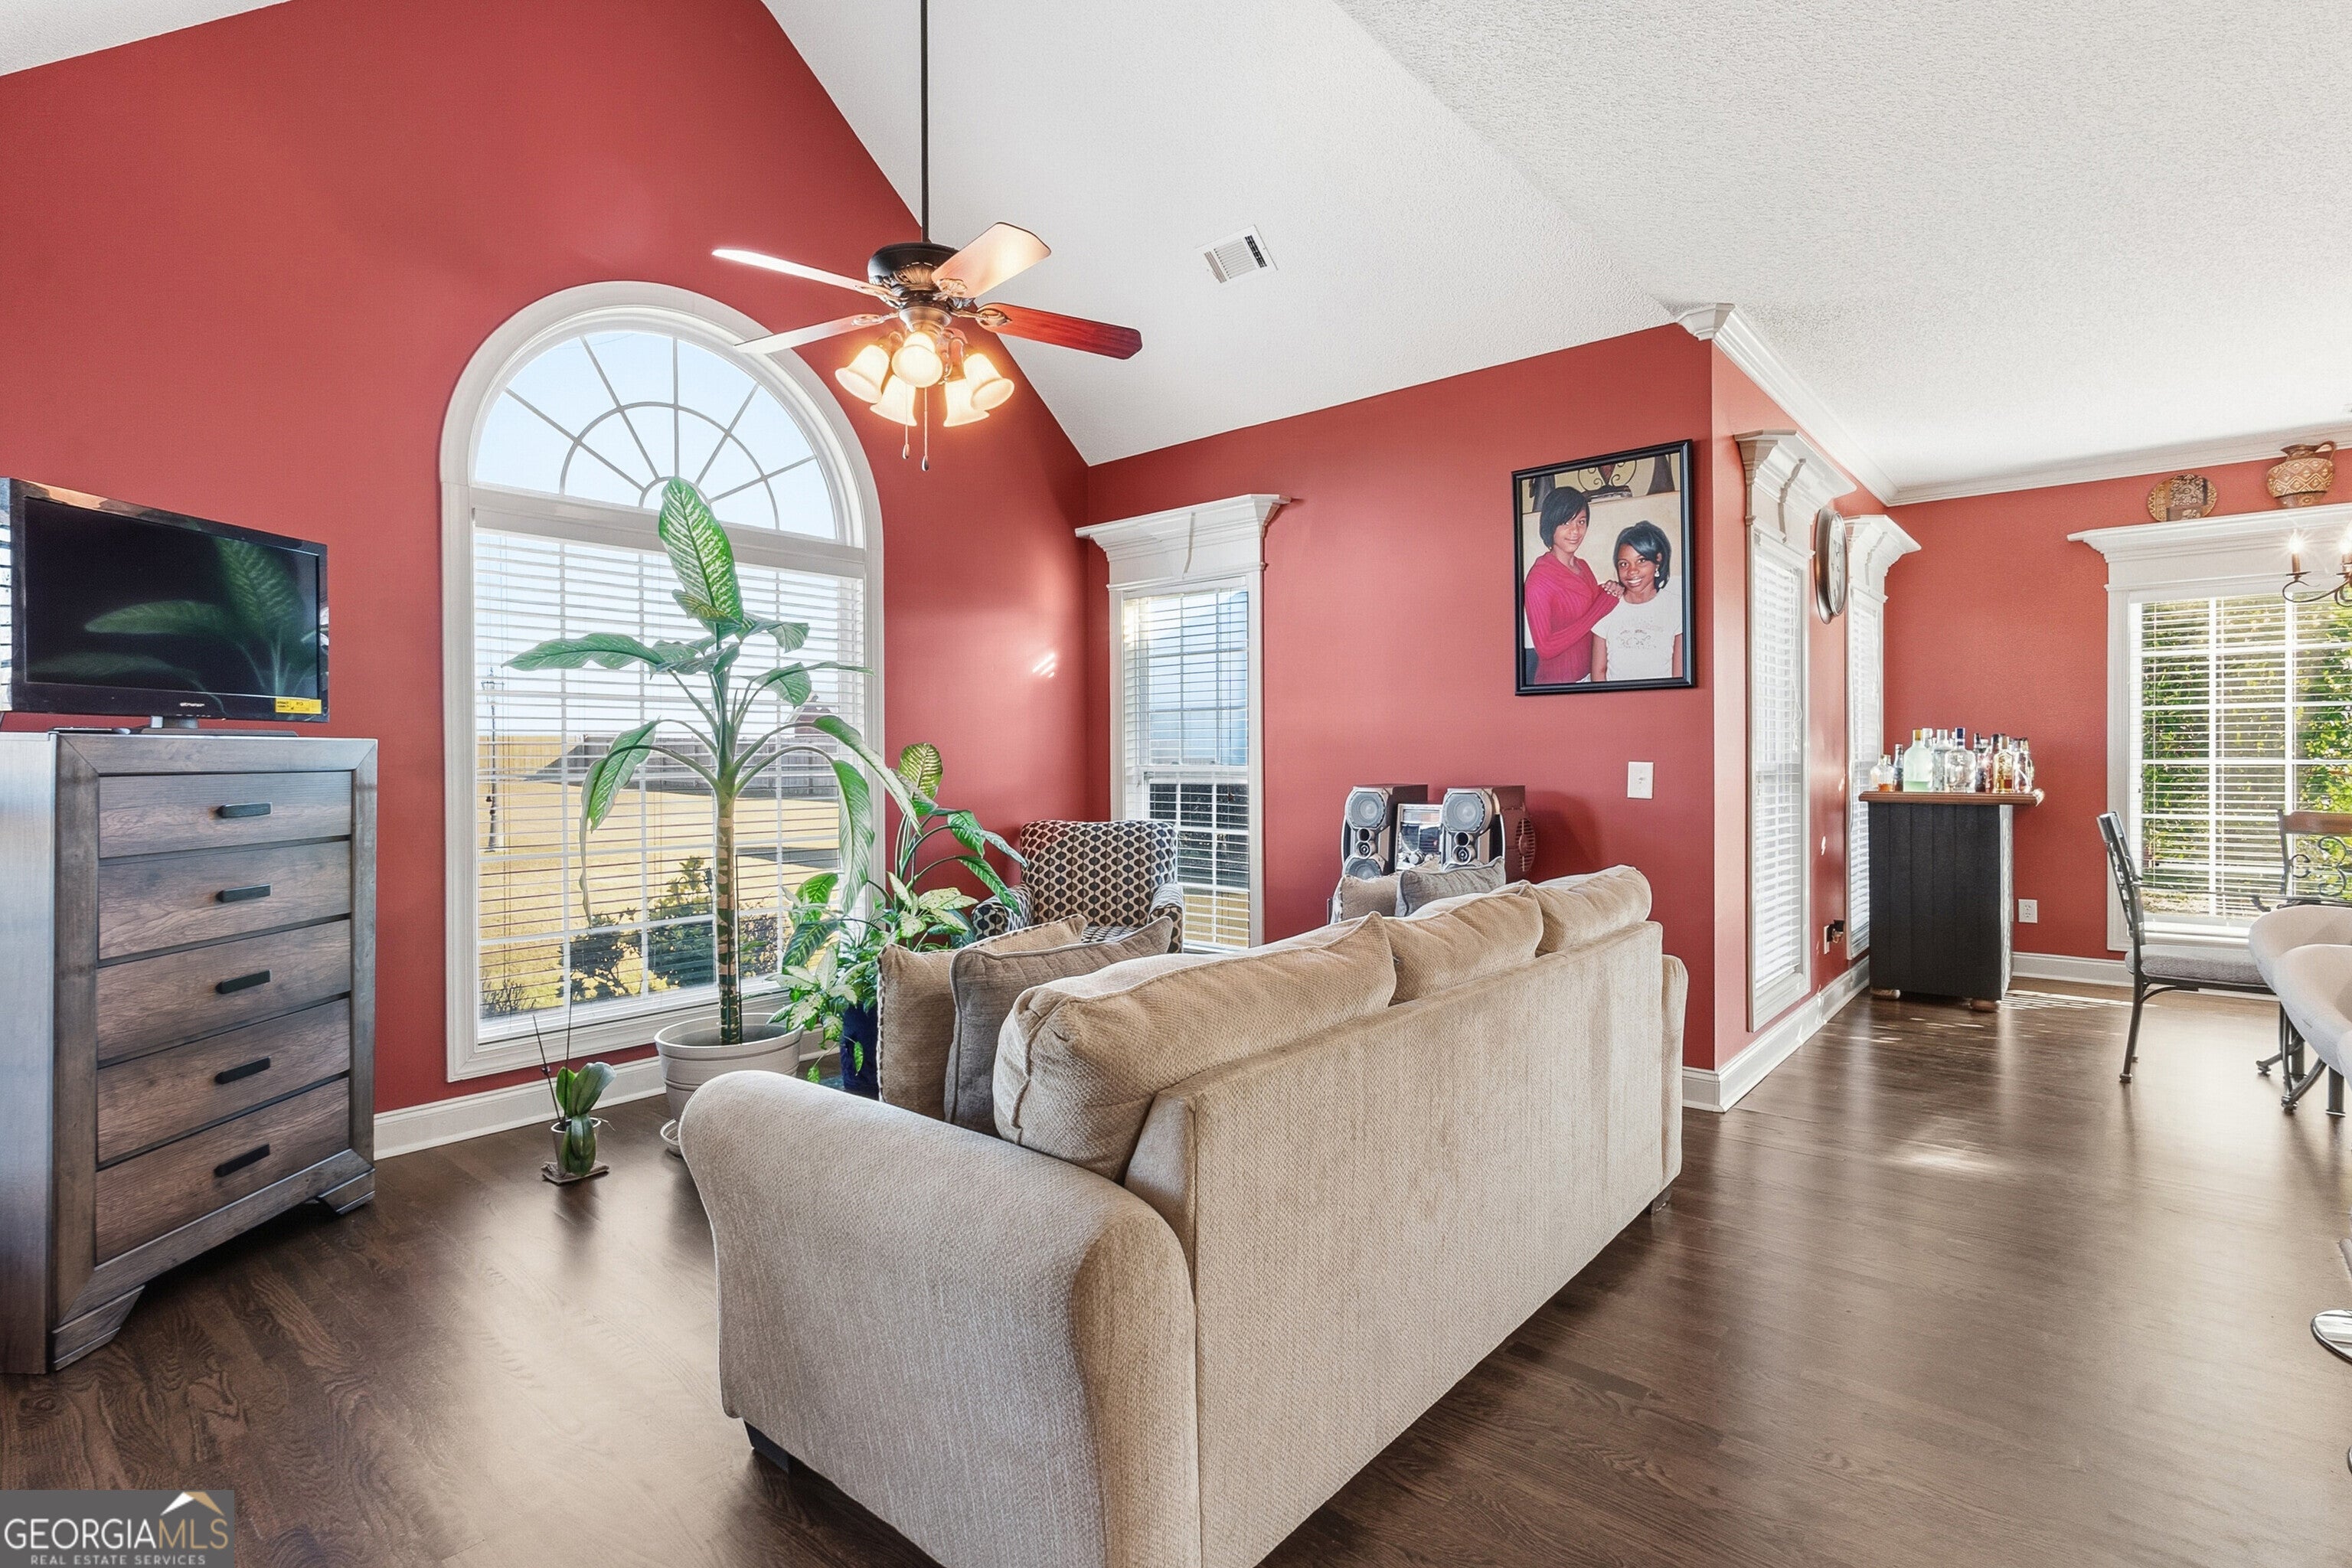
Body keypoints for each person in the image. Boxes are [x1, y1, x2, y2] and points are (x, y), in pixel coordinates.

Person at [1521, 486, 1618, 684]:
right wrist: (1599, 609)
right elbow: (1545, 648)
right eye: (1566, 522)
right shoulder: (1539, 579)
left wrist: (1607, 589)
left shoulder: (1582, 566)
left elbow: (1583, 600)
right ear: (1550, 525)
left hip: (1589, 676)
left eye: (1581, 522)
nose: (1575, 531)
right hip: (1558, 685)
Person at [1591, 521, 1684, 682]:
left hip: (1662, 696)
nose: (1632, 571)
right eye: (1624, 564)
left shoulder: (1677, 607)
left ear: (1658, 560)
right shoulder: (1607, 607)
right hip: (1615, 696)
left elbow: (1679, 675)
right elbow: (1599, 672)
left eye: (1641, 561)